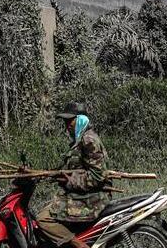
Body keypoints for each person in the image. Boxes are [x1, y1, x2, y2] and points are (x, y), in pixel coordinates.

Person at [35, 102, 109, 248]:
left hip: (92, 199)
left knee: (43, 218)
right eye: (65, 121)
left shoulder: (89, 140)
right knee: (47, 208)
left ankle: (78, 245)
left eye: (70, 120)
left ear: (81, 119)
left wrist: (69, 181)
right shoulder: (79, 140)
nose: (67, 125)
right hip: (82, 196)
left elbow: (98, 176)